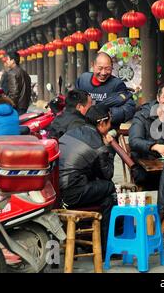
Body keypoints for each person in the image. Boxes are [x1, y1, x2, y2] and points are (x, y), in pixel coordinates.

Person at [59, 106, 116, 252]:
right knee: (110, 188)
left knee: (106, 199)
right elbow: (108, 174)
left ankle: (92, 242)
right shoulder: (98, 144)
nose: (110, 126)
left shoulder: (72, 132)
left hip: (59, 191)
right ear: (102, 123)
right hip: (73, 193)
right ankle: (104, 248)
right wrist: (109, 148)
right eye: (109, 122)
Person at [129, 82, 164, 190]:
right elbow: (134, 141)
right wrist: (155, 146)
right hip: (145, 168)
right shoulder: (142, 115)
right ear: (158, 98)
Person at [75, 52, 136, 128]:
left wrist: (109, 115)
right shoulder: (83, 80)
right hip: (83, 127)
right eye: (100, 68)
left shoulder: (117, 84)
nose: (103, 73)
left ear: (112, 67)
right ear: (93, 65)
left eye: (108, 69)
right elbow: (74, 101)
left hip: (107, 129)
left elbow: (129, 108)